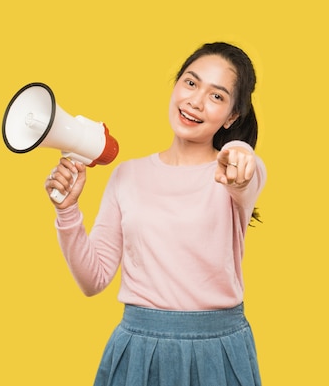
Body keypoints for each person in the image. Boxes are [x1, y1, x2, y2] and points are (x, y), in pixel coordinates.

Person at [45, 42, 267, 386]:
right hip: (139, 349)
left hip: (218, 351)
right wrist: (67, 210)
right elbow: (93, 281)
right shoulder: (126, 176)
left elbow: (246, 170)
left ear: (232, 117)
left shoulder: (235, 174)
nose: (195, 101)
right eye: (191, 83)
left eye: (217, 96)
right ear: (176, 84)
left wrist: (239, 154)